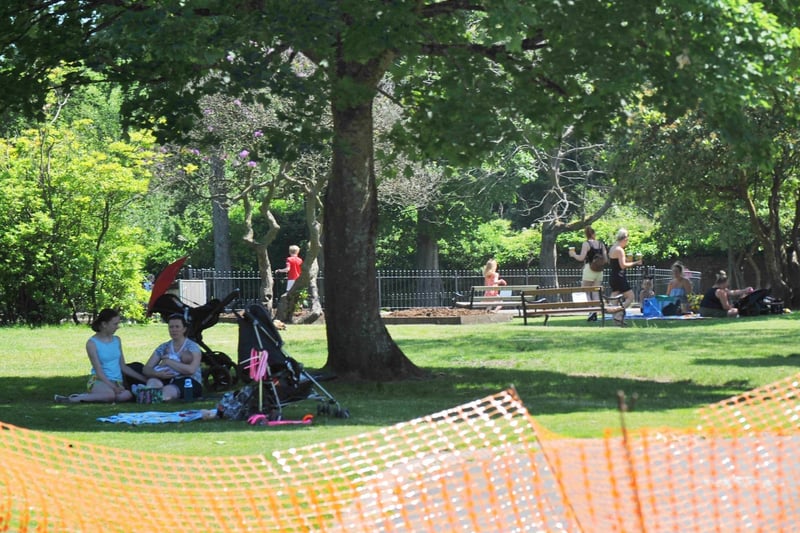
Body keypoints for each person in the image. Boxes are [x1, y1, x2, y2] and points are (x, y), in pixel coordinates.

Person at [54, 309, 147, 403]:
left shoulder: (117, 340)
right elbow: (99, 371)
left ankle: (92, 396)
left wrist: (144, 379)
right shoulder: (92, 343)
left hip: (117, 381)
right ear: (104, 324)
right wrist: (113, 387)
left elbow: (123, 367)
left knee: (126, 395)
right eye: (115, 324)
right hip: (99, 379)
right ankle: (72, 399)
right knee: (109, 396)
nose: (118, 327)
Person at [142, 314, 203, 401]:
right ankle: (148, 396)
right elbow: (146, 369)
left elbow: (191, 370)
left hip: (188, 381)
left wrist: (168, 362)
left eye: (177, 327)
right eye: (171, 327)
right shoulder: (164, 347)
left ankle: (153, 397)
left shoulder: (192, 347)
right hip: (166, 378)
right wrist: (157, 374)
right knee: (153, 382)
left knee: (167, 391)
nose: (174, 330)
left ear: (184, 329)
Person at [568, 226, 607, 321]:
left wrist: (573, 255)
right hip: (599, 271)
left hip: (589, 269)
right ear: (594, 234)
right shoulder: (601, 244)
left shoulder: (586, 244)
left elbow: (581, 258)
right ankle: (596, 311)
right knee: (595, 292)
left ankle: (591, 311)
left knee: (585, 290)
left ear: (586, 234)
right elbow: (606, 259)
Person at [608, 228, 644, 325]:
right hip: (619, 277)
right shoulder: (620, 250)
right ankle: (619, 314)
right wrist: (636, 262)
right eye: (627, 239)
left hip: (613, 276)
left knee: (614, 297)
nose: (627, 242)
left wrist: (628, 260)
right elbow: (623, 265)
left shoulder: (612, 248)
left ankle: (615, 319)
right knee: (630, 296)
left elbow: (617, 263)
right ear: (624, 239)